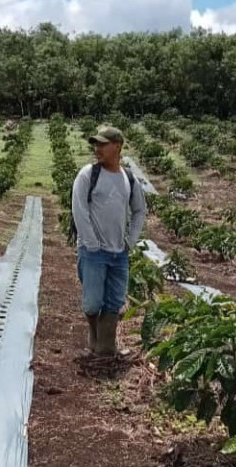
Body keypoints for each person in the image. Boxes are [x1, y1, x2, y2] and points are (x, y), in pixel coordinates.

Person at [72, 126, 146, 356]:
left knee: (114, 302)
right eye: (96, 144)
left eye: (103, 144)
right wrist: (91, 242)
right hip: (93, 251)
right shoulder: (88, 174)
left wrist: (130, 241)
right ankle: (94, 336)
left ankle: (106, 347)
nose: (98, 149)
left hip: (119, 253)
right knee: (93, 303)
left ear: (118, 146)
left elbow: (140, 210)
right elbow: (79, 208)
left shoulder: (129, 178)